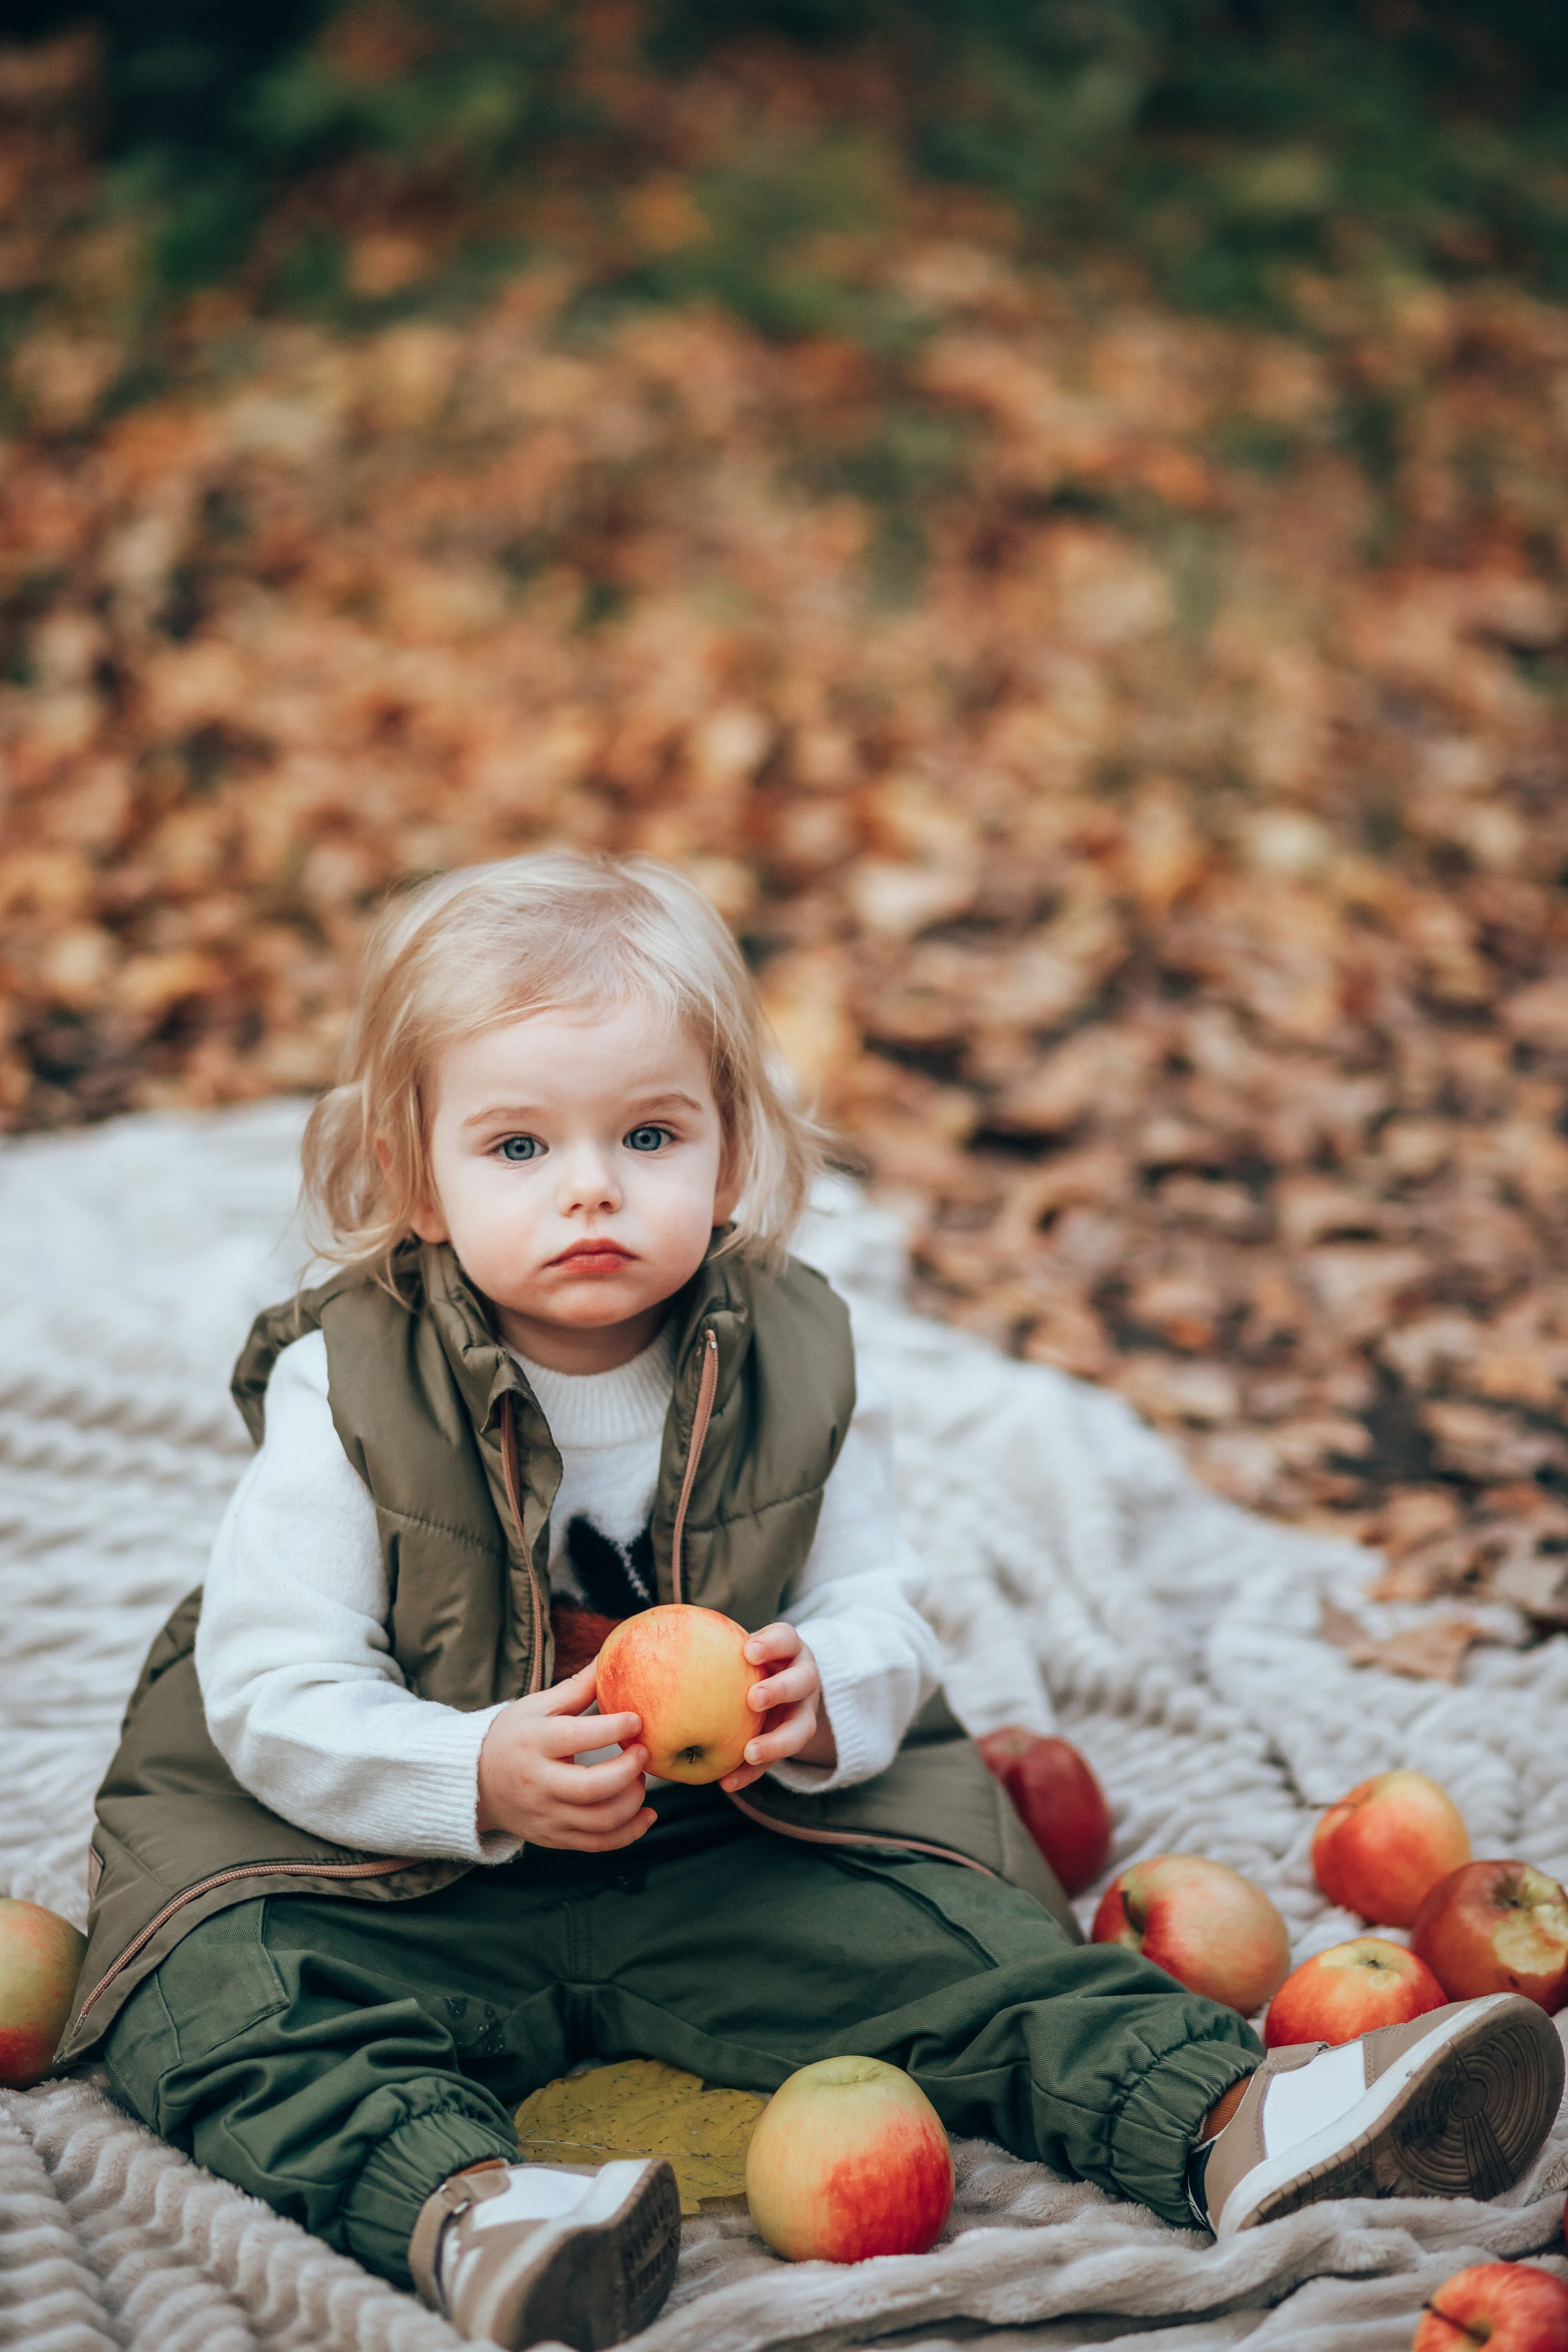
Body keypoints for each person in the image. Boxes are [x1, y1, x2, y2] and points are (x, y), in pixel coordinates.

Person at [60, 854, 1562, 2350]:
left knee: (962, 1948)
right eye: (516, 1146)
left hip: (721, 1849)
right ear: (414, 1179)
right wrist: (469, 1771)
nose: (590, 1185)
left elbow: (881, 1612)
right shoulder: (349, 1386)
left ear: (725, 1157)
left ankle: (1235, 2116)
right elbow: (273, 1690)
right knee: (220, 1999)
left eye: (646, 1134)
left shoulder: (799, 1360)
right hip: (388, 1855)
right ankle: (474, 2211)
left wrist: (822, 1693)